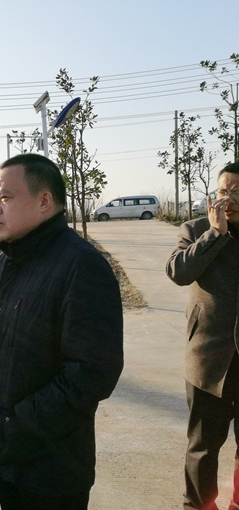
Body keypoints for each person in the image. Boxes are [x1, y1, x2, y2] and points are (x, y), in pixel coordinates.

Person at [0, 154, 124, 510]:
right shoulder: (8, 259)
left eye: (5, 198)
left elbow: (93, 372)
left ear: (44, 201)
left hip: (53, 468)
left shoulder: (82, 265)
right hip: (5, 453)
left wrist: (18, 422)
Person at [166, 161, 239, 510]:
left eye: (237, 192)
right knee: (203, 447)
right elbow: (178, 272)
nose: (229, 199)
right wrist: (215, 234)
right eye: (224, 191)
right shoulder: (195, 229)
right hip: (208, 359)